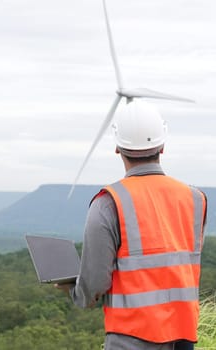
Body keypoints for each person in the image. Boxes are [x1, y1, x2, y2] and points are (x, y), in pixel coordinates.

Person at [57, 100, 207, 350]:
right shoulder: (195, 199)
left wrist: (74, 292)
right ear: (162, 145)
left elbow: (94, 283)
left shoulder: (107, 204)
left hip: (131, 338)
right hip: (183, 337)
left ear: (118, 148)